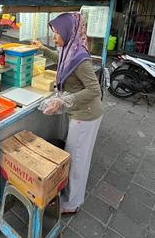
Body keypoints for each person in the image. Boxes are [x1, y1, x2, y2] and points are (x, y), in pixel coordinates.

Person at [33, 13, 103, 215]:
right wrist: (43, 49)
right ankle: (71, 195)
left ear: (68, 31)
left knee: (77, 160)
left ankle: (71, 204)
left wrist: (63, 100)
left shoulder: (81, 58)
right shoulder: (68, 50)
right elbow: (61, 59)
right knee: (77, 157)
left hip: (86, 116)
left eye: (56, 33)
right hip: (79, 113)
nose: (54, 37)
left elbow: (94, 90)